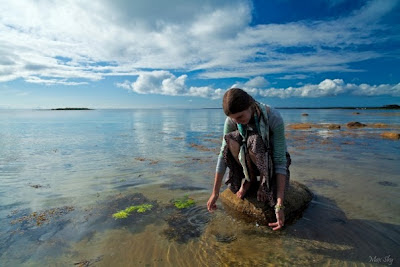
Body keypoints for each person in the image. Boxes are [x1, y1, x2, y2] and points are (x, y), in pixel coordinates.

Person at [207, 88, 290, 231]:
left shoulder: (273, 118)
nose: (236, 121)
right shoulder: (232, 120)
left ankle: (263, 183)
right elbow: (223, 154)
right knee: (230, 138)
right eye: (233, 118)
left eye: (240, 117)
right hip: (248, 161)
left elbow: (280, 159)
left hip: (269, 162)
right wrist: (215, 192)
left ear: (250, 105)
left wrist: (279, 203)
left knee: (256, 140)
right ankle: (249, 179)